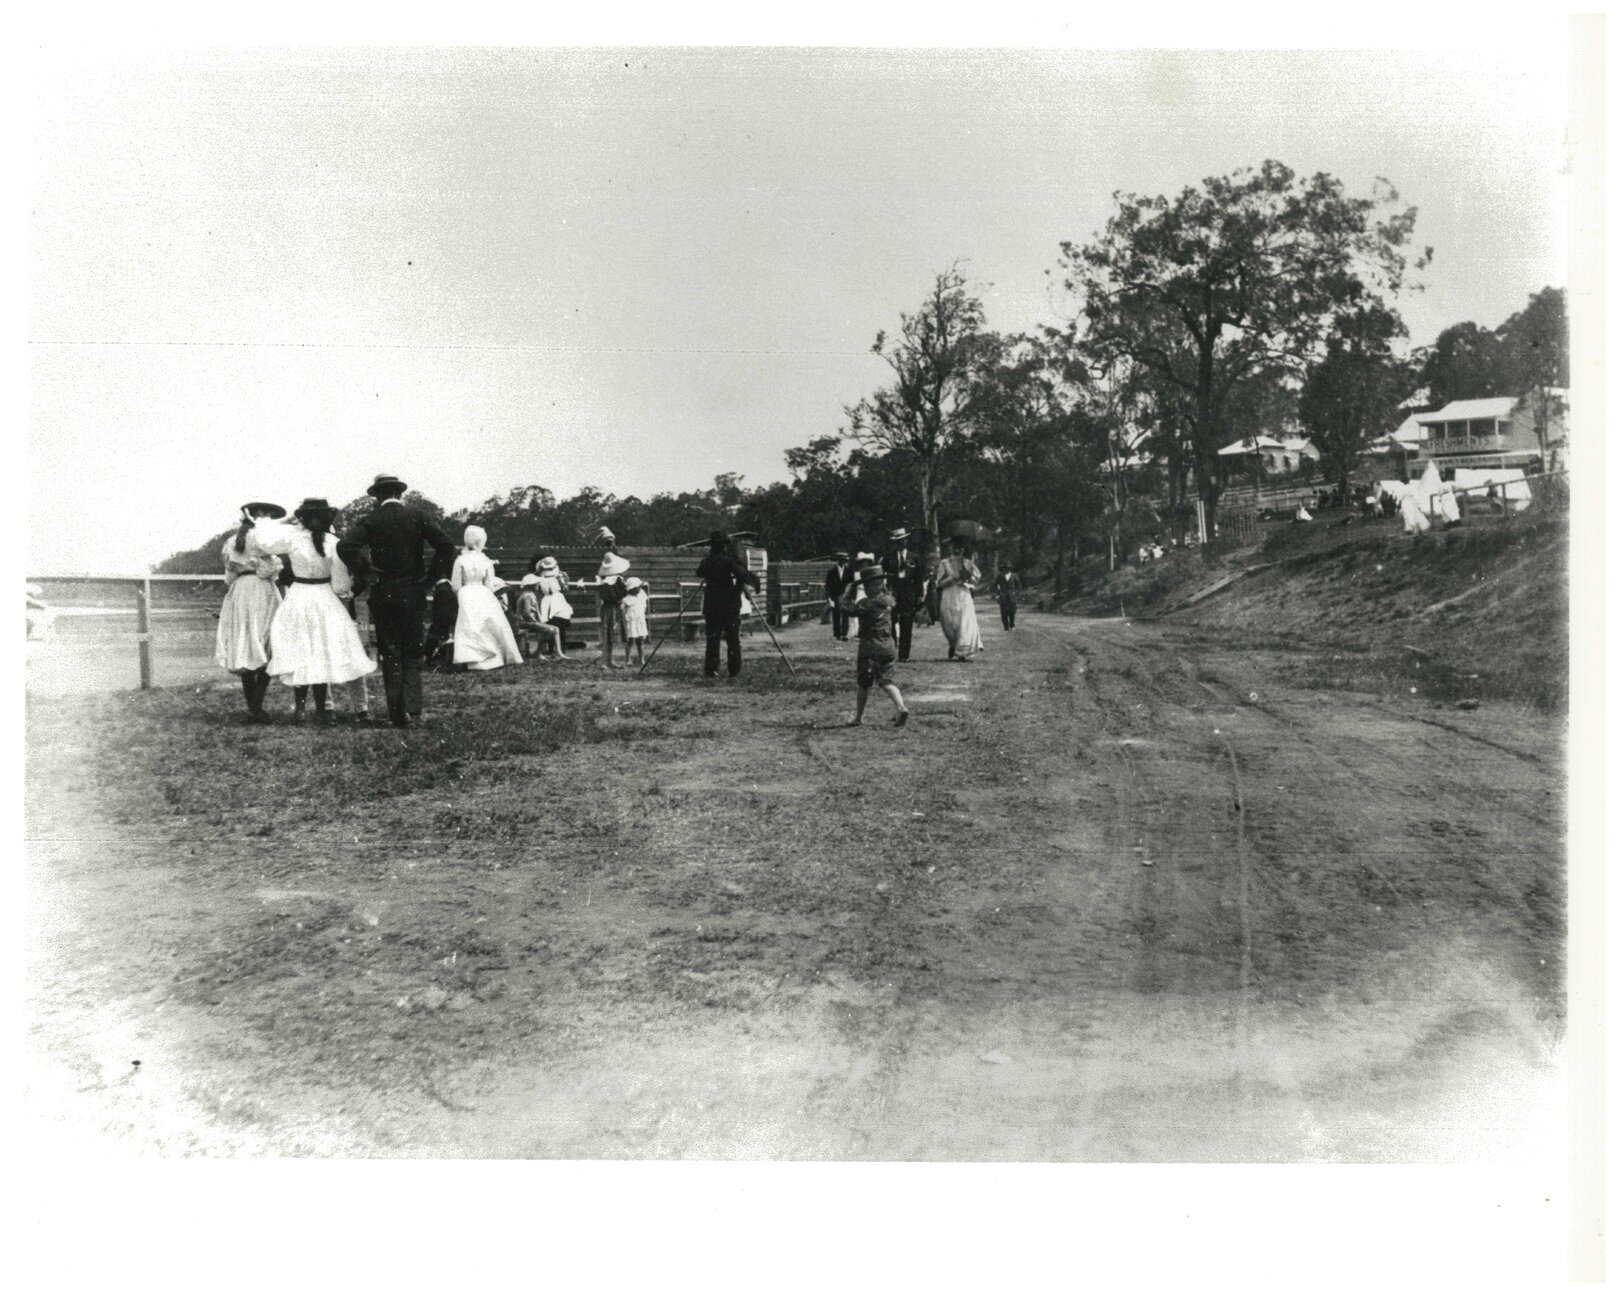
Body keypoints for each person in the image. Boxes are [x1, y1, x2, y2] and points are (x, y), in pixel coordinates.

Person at [336, 474, 457, 728]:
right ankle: (414, 711)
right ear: (399, 494)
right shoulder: (417, 515)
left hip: (383, 595)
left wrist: (367, 571)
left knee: (390, 652)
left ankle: (396, 714)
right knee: (413, 652)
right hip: (412, 593)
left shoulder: (371, 519)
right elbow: (446, 545)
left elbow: (345, 546)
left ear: (377, 496)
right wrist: (431, 578)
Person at [249, 498, 376, 724]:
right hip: (325, 597)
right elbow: (340, 583)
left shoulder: (293, 537)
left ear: (304, 519)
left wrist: (281, 520)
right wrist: (343, 592)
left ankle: (301, 711)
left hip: (299, 596)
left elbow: (262, 541)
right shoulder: (334, 542)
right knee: (321, 652)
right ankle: (322, 711)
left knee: (301, 652)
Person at [215, 501, 286, 721]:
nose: (267, 518)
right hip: (261, 590)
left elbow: (229, 576)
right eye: (264, 514)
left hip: (241, 591)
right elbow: (270, 571)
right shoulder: (263, 540)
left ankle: (254, 706)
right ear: (256, 516)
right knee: (264, 641)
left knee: (248, 641)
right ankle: (256, 705)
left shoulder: (232, 541)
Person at [839, 564, 909, 727]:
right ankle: (901, 707)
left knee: (864, 684)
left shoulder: (865, 604)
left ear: (867, 586)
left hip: (869, 648)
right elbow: (887, 594)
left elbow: (845, 608)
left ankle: (858, 716)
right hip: (888, 647)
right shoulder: (889, 600)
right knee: (886, 681)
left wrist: (850, 590)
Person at [450, 526, 523, 671]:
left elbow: (456, 584)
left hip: (466, 593)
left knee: (469, 625)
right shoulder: (486, 561)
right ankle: (492, 658)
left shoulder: (460, 560)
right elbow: (489, 583)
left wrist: (460, 594)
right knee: (488, 623)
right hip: (483, 592)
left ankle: (473, 659)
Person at [696, 529, 760, 678]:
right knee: (733, 639)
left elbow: (699, 572)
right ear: (725, 546)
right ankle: (734, 670)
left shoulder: (707, 561)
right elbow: (743, 575)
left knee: (712, 639)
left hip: (712, 605)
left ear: (712, 546)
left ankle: (711, 670)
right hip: (729, 605)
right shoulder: (728, 561)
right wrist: (737, 590)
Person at [934, 534, 984, 662]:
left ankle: (963, 652)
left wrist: (968, 577)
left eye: (960, 548)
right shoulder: (944, 563)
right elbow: (938, 583)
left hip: (963, 594)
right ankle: (953, 644)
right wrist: (951, 579)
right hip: (949, 595)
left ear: (962, 549)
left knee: (965, 622)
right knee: (949, 623)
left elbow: (976, 580)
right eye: (955, 547)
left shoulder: (968, 563)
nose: (957, 550)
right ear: (951, 548)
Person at [881, 528, 924, 662]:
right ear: (895, 543)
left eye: (903, 540)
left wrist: (920, 595)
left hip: (909, 593)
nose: (901, 543)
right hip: (894, 592)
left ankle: (904, 654)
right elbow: (882, 576)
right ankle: (892, 650)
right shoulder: (888, 558)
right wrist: (885, 591)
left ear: (907, 541)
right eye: (898, 541)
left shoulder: (914, 557)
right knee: (891, 622)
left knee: (907, 623)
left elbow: (919, 578)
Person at [596, 534, 630, 669]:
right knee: (607, 634)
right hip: (611, 608)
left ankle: (609, 660)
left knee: (611, 635)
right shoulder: (612, 581)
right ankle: (604, 661)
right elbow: (618, 595)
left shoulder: (608, 581)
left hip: (611, 608)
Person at [534, 555, 574, 655]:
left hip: (555, 600)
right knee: (551, 624)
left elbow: (564, 589)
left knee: (557, 624)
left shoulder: (556, 576)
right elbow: (565, 589)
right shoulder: (542, 577)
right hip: (550, 601)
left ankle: (559, 648)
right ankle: (553, 648)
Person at [423, 578, 457, 670]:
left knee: (438, 628)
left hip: (445, 590)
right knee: (439, 627)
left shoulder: (442, 590)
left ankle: (430, 656)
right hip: (446, 591)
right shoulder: (443, 590)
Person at [621, 576, 651, 666]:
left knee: (640, 641)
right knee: (630, 641)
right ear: (631, 589)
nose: (638, 589)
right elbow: (623, 611)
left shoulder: (642, 594)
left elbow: (644, 606)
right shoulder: (626, 598)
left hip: (640, 621)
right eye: (636, 588)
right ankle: (628, 660)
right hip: (631, 622)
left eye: (639, 587)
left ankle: (642, 659)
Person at [824, 552, 852, 640]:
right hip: (835, 596)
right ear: (838, 561)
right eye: (841, 560)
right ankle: (837, 634)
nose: (842, 562)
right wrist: (829, 597)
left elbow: (852, 584)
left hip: (846, 595)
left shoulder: (849, 571)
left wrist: (851, 596)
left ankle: (844, 634)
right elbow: (828, 585)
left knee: (845, 614)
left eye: (844, 560)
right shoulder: (831, 572)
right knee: (836, 615)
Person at [994, 566, 1021, 632]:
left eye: (1008, 568)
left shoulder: (1014, 576)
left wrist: (1016, 593)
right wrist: (997, 594)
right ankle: (1006, 627)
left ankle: (1012, 625)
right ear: (1003, 568)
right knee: (1003, 613)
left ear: (1010, 569)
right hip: (1003, 596)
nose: (1006, 569)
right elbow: (995, 585)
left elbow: (1019, 585)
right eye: (1005, 568)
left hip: (1012, 596)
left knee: (1012, 611)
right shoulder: (1000, 576)